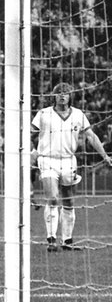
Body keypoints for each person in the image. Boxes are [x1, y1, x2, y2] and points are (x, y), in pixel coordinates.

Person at [31, 83, 112, 252]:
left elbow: (91, 136)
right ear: (54, 96)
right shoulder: (43, 114)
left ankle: (67, 241)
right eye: (59, 92)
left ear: (70, 96)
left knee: (68, 201)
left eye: (66, 93)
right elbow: (29, 134)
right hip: (47, 159)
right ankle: (51, 240)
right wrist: (32, 151)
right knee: (52, 198)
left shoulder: (78, 114)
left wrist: (105, 156)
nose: (62, 95)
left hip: (69, 161)